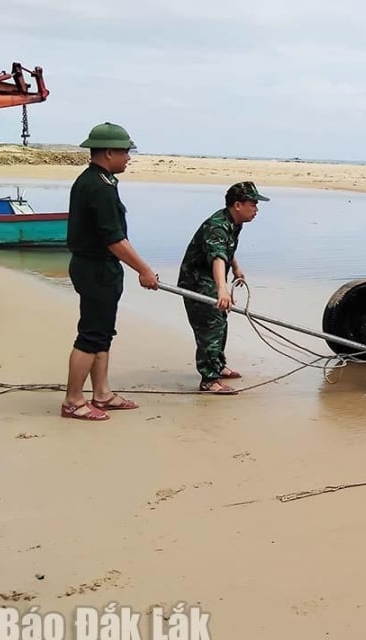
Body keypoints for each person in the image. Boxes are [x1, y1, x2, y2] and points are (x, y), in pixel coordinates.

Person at [61, 122, 160, 421]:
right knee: (90, 336)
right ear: (108, 152)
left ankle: (101, 393)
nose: (129, 157)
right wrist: (144, 269)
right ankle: (73, 401)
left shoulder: (98, 180)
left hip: (99, 267)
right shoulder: (98, 187)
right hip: (95, 268)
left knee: (103, 333)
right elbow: (114, 239)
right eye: (125, 152)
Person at [177, 181, 270, 393]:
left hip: (210, 278)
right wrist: (221, 289)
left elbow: (226, 249)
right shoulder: (217, 225)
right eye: (253, 204)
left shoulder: (234, 222)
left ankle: (218, 365)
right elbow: (217, 257)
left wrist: (236, 267)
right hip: (197, 281)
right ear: (238, 205)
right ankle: (209, 379)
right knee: (211, 326)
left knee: (221, 321)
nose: (256, 209)